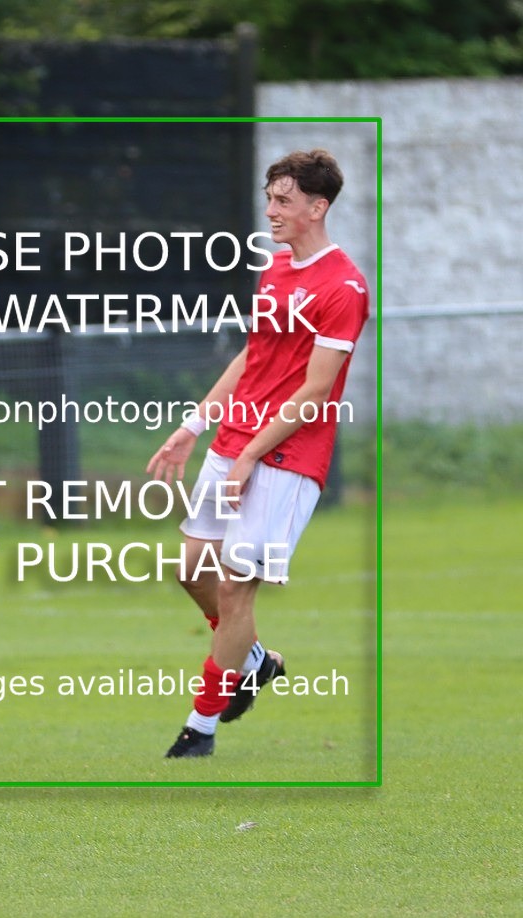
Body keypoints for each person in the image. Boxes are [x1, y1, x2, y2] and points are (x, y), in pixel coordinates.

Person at [147, 148, 369, 758]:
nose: (271, 211)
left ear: (317, 208)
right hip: (233, 442)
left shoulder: (344, 286)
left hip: (288, 457)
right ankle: (252, 661)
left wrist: (252, 456)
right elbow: (254, 357)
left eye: (284, 201)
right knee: (193, 570)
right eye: (270, 198)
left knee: (236, 591)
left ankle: (201, 729)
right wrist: (194, 425)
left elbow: (316, 389)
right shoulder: (276, 268)